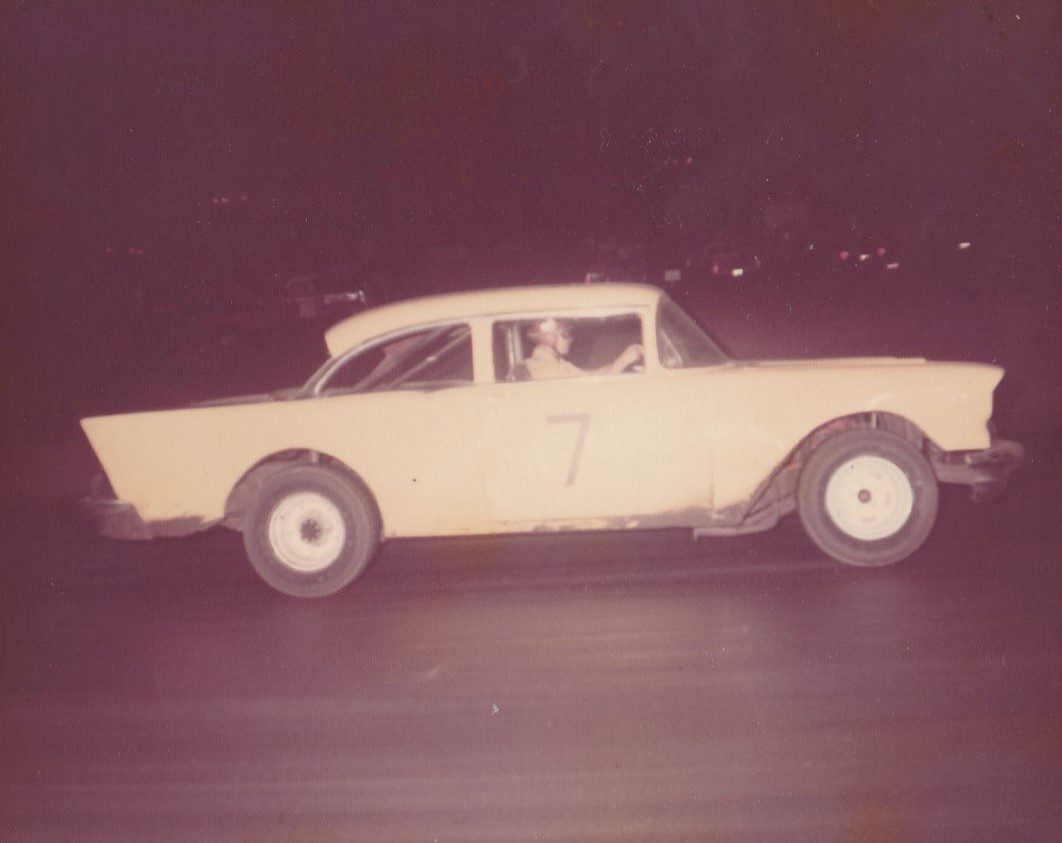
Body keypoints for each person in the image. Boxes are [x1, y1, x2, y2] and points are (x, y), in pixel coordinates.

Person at [519, 317, 643, 380]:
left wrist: (627, 356)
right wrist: (625, 359)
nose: (571, 339)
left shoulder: (556, 363)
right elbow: (597, 389)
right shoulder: (544, 369)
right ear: (549, 336)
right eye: (566, 333)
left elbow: (591, 376)